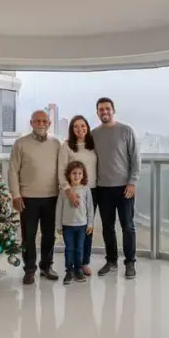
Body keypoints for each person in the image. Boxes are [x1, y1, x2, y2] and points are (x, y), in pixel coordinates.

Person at [67, 97, 140, 279]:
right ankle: (111, 261)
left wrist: (132, 182)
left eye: (107, 108)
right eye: (101, 109)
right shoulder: (94, 134)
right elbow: (82, 150)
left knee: (128, 226)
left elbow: (135, 158)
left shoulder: (126, 130)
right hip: (102, 188)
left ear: (113, 110)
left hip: (124, 187)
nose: (104, 112)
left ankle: (130, 262)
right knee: (107, 227)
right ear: (97, 113)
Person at [8, 110, 60, 285]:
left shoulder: (56, 143)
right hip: (28, 198)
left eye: (44, 121)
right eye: (37, 121)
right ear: (31, 123)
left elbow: (62, 169)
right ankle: (29, 269)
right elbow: (13, 170)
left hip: (52, 197)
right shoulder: (20, 143)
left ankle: (46, 266)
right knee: (28, 236)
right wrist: (15, 195)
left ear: (49, 124)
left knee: (49, 235)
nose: (41, 124)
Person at [58, 115, 98, 276]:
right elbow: (61, 171)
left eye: (83, 125)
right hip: (73, 191)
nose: (80, 129)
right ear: (71, 129)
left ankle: (83, 263)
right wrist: (68, 192)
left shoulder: (92, 145)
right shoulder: (66, 146)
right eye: (76, 126)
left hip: (91, 190)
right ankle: (71, 265)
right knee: (73, 228)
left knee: (87, 228)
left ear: (87, 127)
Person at [56, 160, 94, 285]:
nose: (77, 176)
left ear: (83, 175)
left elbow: (90, 208)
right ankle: (69, 271)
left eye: (79, 173)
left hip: (82, 225)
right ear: (69, 175)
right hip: (67, 226)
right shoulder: (64, 191)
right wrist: (58, 225)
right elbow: (59, 209)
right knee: (69, 249)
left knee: (79, 248)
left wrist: (90, 224)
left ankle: (79, 269)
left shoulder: (86, 190)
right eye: (74, 173)